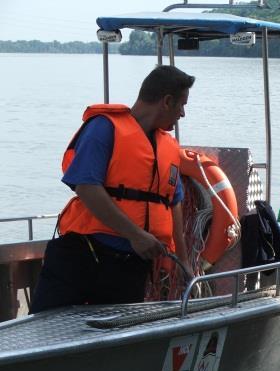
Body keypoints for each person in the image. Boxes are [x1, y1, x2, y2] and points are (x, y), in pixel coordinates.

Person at [30, 65, 195, 313]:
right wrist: (136, 235)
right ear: (167, 101)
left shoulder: (168, 147)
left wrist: (183, 261)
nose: (182, 113)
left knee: (117, 340)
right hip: (83, 255)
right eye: (182, 104)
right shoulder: (104, 128)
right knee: (47, 332)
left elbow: (174, 202)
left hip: (130, 267)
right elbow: (86, 186)